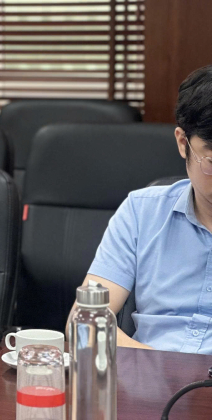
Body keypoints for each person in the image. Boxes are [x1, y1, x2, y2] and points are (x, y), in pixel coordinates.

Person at [74, 65, 212, 353]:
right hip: (148, 373)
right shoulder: (141, 212)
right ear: (182, 143)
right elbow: (85, 323)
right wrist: (161, 369)